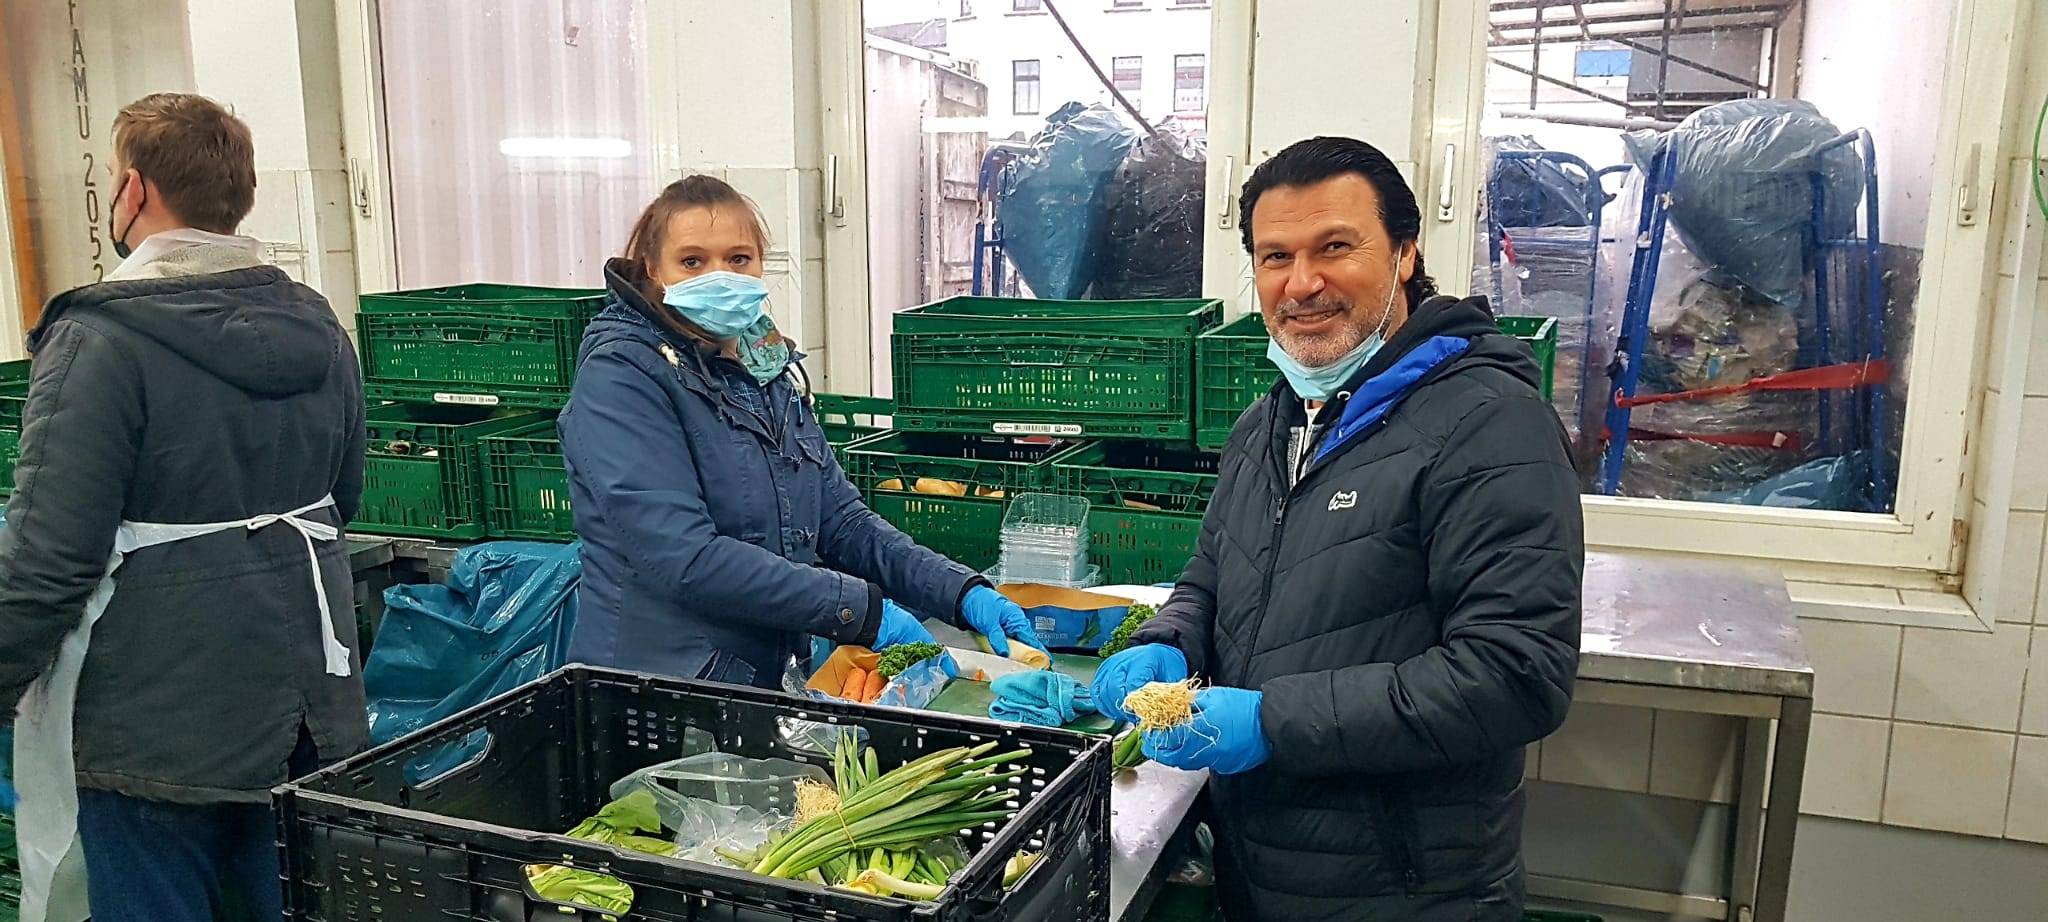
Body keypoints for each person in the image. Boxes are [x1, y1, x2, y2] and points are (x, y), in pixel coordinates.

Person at [1093, 137, 1584, 921]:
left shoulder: (1491, 425)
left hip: (1403, 892)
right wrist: (1173, 637)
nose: (1302, 282)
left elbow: (1516, 675)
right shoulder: (1268, 424)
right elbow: (1215, 575)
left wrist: (1269, 722)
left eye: (1335, 247)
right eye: (1274, 256)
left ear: (1404, 253)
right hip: (1261, 871)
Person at [0, 93, 368, 922]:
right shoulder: (316, 321)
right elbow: (341, 500)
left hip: (157, 724)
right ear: (239, 196)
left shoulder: (98, 339)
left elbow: (48, 560)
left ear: (131, 192)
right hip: (310, 698)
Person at [560, 175, 1044, 688]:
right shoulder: (623, 375)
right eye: (693, 261)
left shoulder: (765, 369)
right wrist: (862, 612)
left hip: (760, 675)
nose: (719, 275)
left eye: (739, 258)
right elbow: (686, 558)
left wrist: (960, 593)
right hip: (661, 686)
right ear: (654, 270)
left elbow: (840, 522)